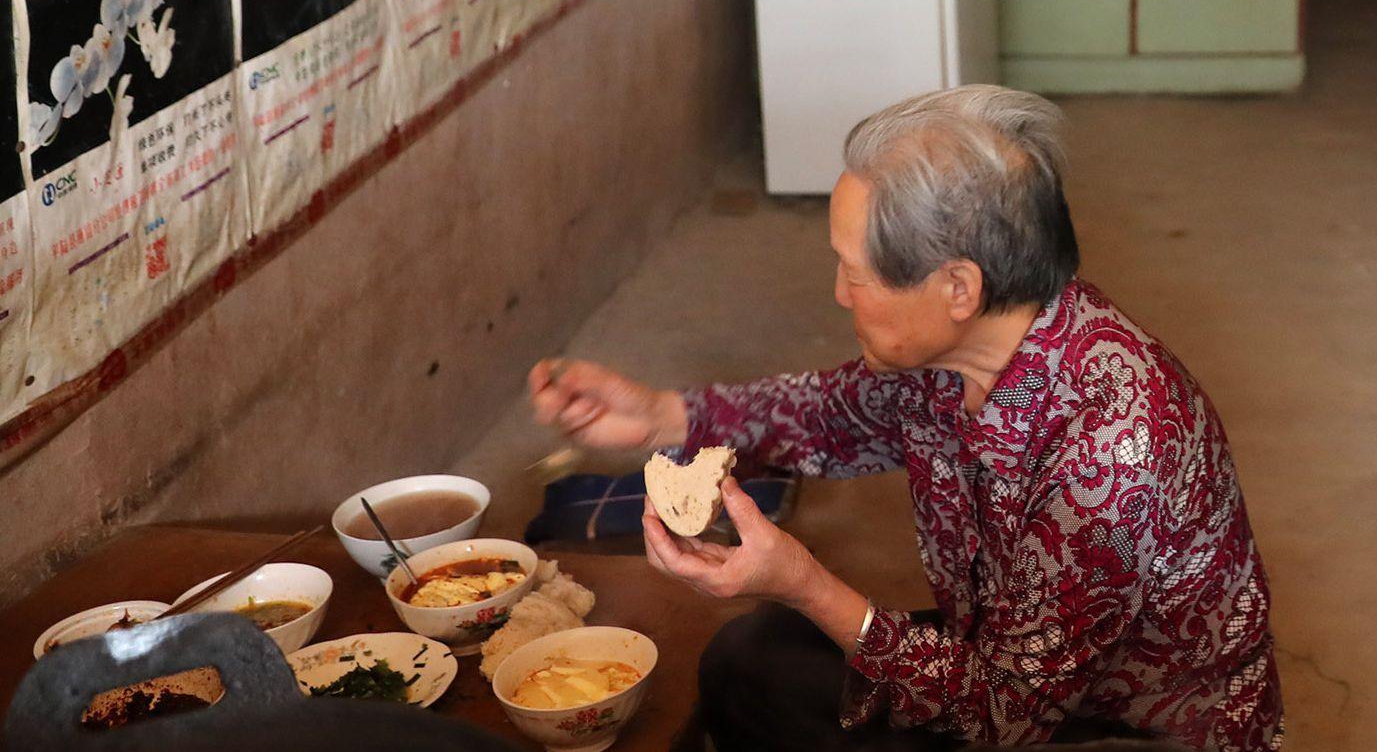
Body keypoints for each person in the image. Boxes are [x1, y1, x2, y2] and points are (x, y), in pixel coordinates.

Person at [529, 86, 1284, 750]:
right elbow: (830, 411)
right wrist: (662, 415)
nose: (838, 292)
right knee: (749, 664)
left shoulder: (1115, 444)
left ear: (958, 285)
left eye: (853, 271)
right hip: (1004, 652)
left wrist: (804, 582)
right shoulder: (965, 346)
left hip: (1124, 726)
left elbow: (1004, 716)